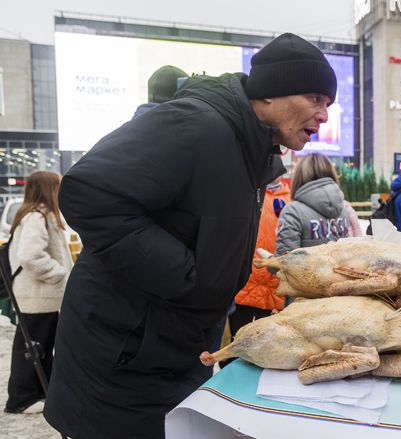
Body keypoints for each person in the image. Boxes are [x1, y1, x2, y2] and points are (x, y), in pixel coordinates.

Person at [44, 32, 338, 439]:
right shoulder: (196, 123)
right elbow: (88, 193)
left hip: (175, 354)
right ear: (271, 93)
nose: (324, 115)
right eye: (316, 99)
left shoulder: (253, 151)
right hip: (122, 363)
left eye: (328, 104)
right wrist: (187, 276)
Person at [4, 171, 73, 415]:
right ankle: (20, 399)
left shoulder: (36, 214)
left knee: (40, 345)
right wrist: (58, 273)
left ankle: (40, 392)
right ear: (48, 188)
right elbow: (30, 255)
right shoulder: (37, 216)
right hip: (38, 294)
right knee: (30, 346)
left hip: (42, 295)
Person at [219, 176, 292, 369]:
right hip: (247, 284)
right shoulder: (249, 193)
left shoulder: (289, 199)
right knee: (235, 346)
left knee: (265, 351)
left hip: (275, 286)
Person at [273, 152, 350, 261]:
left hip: (304, 277)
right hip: (338, 277)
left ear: (299, 176)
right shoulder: (344, 211)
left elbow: (285, 263)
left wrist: (270, 260)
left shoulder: (293, 211)